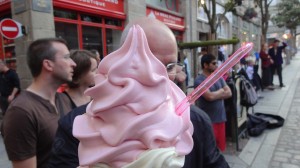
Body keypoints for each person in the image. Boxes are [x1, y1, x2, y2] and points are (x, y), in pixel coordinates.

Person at [48, 18, 229, 168]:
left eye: (170, 66)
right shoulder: (77, 127)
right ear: (120, 65)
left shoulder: (194, 121)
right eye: (151, 65)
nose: (162, 77)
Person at [1, 38, 76, 168]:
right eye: (67, 57)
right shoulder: (21, 112)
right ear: (48, 64)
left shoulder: (63, 99)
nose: (73, 63)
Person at [194, 54, 232, 152]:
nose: (216, 65)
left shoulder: (218, 77)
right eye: (213, 63)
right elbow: (209, 97)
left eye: (216, 63)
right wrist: (220, 91)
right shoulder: (199, 80)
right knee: (210, 149)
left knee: (220, 148)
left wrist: (216, 95)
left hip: (221, 118)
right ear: (205, 65)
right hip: (208, 120)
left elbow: (229, 93)